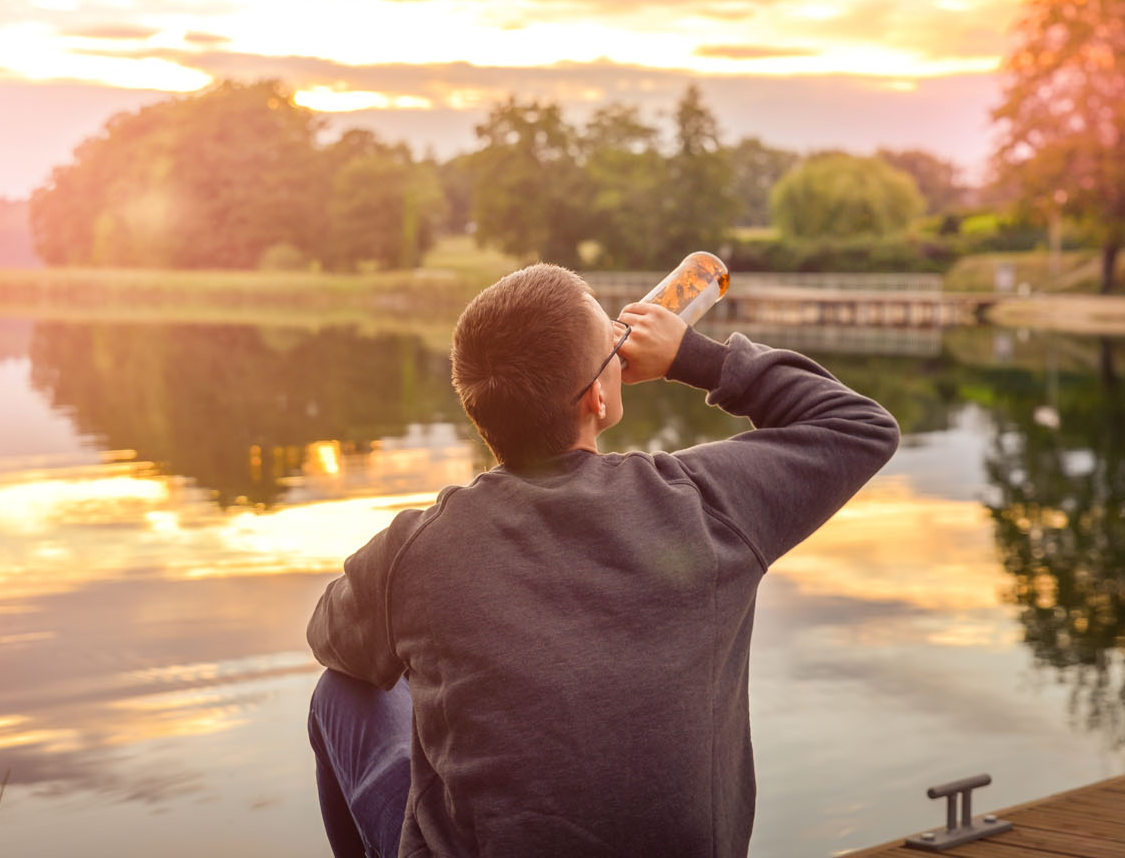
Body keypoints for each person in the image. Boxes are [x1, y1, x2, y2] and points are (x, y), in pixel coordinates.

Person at [306, 263, 900, 857]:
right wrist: (694, 357)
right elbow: (859, 425)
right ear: (597, 396)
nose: (624, 349)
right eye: (613, 343)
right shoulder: (704, 502)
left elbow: (330, 640)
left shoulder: (414, 551)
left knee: (342, 693)